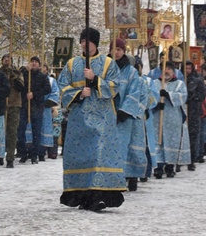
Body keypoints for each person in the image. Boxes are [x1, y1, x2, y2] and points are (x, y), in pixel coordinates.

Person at [57, 27, 125, 212]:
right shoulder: (72, 64)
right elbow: (61, 87)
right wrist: (79, 93)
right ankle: (82, 195)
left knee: (98, 155)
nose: (85, 44)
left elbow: (116, 86)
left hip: (102, 119)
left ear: (96, 43)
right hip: (79, 120)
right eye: (83, 40)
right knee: (81, 157)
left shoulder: (108, 63)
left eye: (89, 40)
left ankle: (99, 196)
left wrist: (95, 80)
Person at [111, 40, 146, 192]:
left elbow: (134, 92)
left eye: (119, 49)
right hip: (107, 114)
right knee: (109, 148)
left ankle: (127, 177)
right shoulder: (105, 68)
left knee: (123, 147)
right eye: (113, 49)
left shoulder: (131, 72)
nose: (116, 52)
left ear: (123, 51)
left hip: (124, 115)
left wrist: (124, 111)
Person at [152, 61, 188, 179]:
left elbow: (183, 96)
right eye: (164, 68)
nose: (166, 71)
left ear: (173, 71)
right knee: (158, 141)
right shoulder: (154, 83)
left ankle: (170, 166)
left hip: (173, 118)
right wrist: (156, 105)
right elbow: (149, 97)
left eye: (169, 69)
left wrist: (168, 95)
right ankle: (158, 167)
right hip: (158, 118)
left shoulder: (179, 84)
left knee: (171, 141)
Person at [17, 56, 51, 164]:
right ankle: (23, 153)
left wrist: (34, 94)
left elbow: (47, 89)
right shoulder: (26, 74)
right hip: (24, 106)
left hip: (37, 106)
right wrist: (24, 70)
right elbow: (18, 81)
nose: (34, 63)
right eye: (32, 61)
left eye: (36, 62)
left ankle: (34, 154)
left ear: (39, 65)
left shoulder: (42, 76)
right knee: (21, 130)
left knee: (36, 132)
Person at [0, 54, 25, 168]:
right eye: (5, 58)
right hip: (2, 105)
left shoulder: (17, 73)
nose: (7, 60)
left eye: (9, 58)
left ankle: (10, 157)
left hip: (14, 104)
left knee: (12, 132)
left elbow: (21, 87)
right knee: (0, 132)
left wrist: (14, 77)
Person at [184, 61, 206, 171]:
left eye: (189, 68)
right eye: (186, 68)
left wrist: (193, 97)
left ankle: (192, 160)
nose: (187, 70)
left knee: (192, 137)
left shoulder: (198, 80)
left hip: (193, 111)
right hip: (183, 112)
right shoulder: (181, 79)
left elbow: (202, 95)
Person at [40, 64, 61, 160]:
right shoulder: (33, 78)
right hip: (36, 106)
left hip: (48, 108)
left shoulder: (52, 81)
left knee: (49, 129)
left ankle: (50, 151)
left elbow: (55, 93)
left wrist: (48, 103)